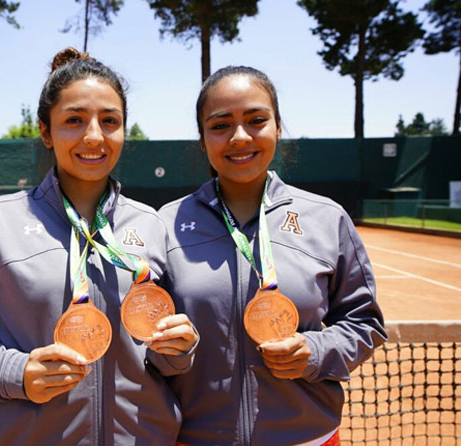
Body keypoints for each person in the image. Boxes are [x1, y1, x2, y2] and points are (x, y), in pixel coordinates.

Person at [0, 47, 198, 446]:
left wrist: (179, 349)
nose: (93, 136)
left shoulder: (152, 225)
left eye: (110, 121)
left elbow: (161, 355)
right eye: (74, 121)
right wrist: (14, 372)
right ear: (45, 132)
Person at [159, 66, 387, 446]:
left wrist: (315, 351)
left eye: (256, 120)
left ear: (278, 126)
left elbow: (365, 323)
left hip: (308, 438)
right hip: (196, 438)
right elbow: (145, 342)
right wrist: (173, 353)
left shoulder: (327, 218)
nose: (240, 137)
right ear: (202, 139)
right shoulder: (165, 224)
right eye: (220, 125)